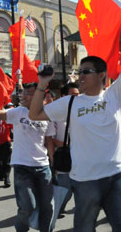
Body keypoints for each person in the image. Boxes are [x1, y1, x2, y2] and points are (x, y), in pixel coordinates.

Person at [29, 11, 121, 232]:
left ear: (102, 75)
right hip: (85, 182)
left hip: (117, 177)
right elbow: (35, 114)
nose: (80, 75)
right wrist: (42, 84)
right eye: (80, 72)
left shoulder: (114, 94)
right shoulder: (70, 103)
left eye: (86, 71)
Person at [0, 83, 55, 232]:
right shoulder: (18, 112)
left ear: (39, 95)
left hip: (43, 167)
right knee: (27, 206)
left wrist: (53, 163)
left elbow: (49, 141)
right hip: (22, 166)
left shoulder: (47, 114)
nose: (23, 96)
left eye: (28, 93)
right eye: (23, 92)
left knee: (47, 206)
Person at [46, 82, 80, 219]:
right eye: (73, 95)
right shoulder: (55, 114)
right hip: (64, 158)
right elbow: (51, 139)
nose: (77, 98)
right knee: (65, 189)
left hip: (80, 157)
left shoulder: (82, 112)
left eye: (78, 95)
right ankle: (53, 211)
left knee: (79, 189)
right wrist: (53, 160)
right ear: (64, 96)